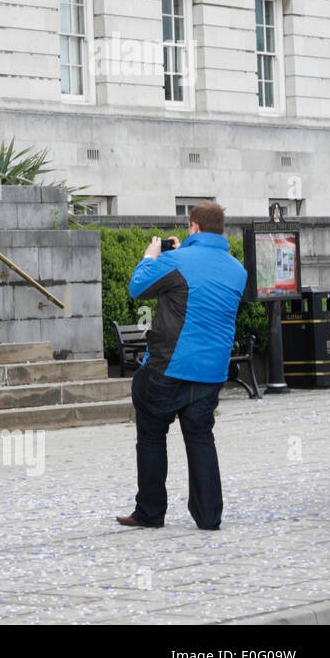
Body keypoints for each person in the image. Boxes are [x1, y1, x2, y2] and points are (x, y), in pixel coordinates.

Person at [118, 203, 246, 531]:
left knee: (151, 435)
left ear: (193, 227)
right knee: (201, 437)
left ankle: (150, 512)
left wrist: (152, 254)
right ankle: (208, 516)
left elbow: (137, 288)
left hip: (167, 367)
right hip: (211, 373)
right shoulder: (237, 270)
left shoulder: (176, 261)